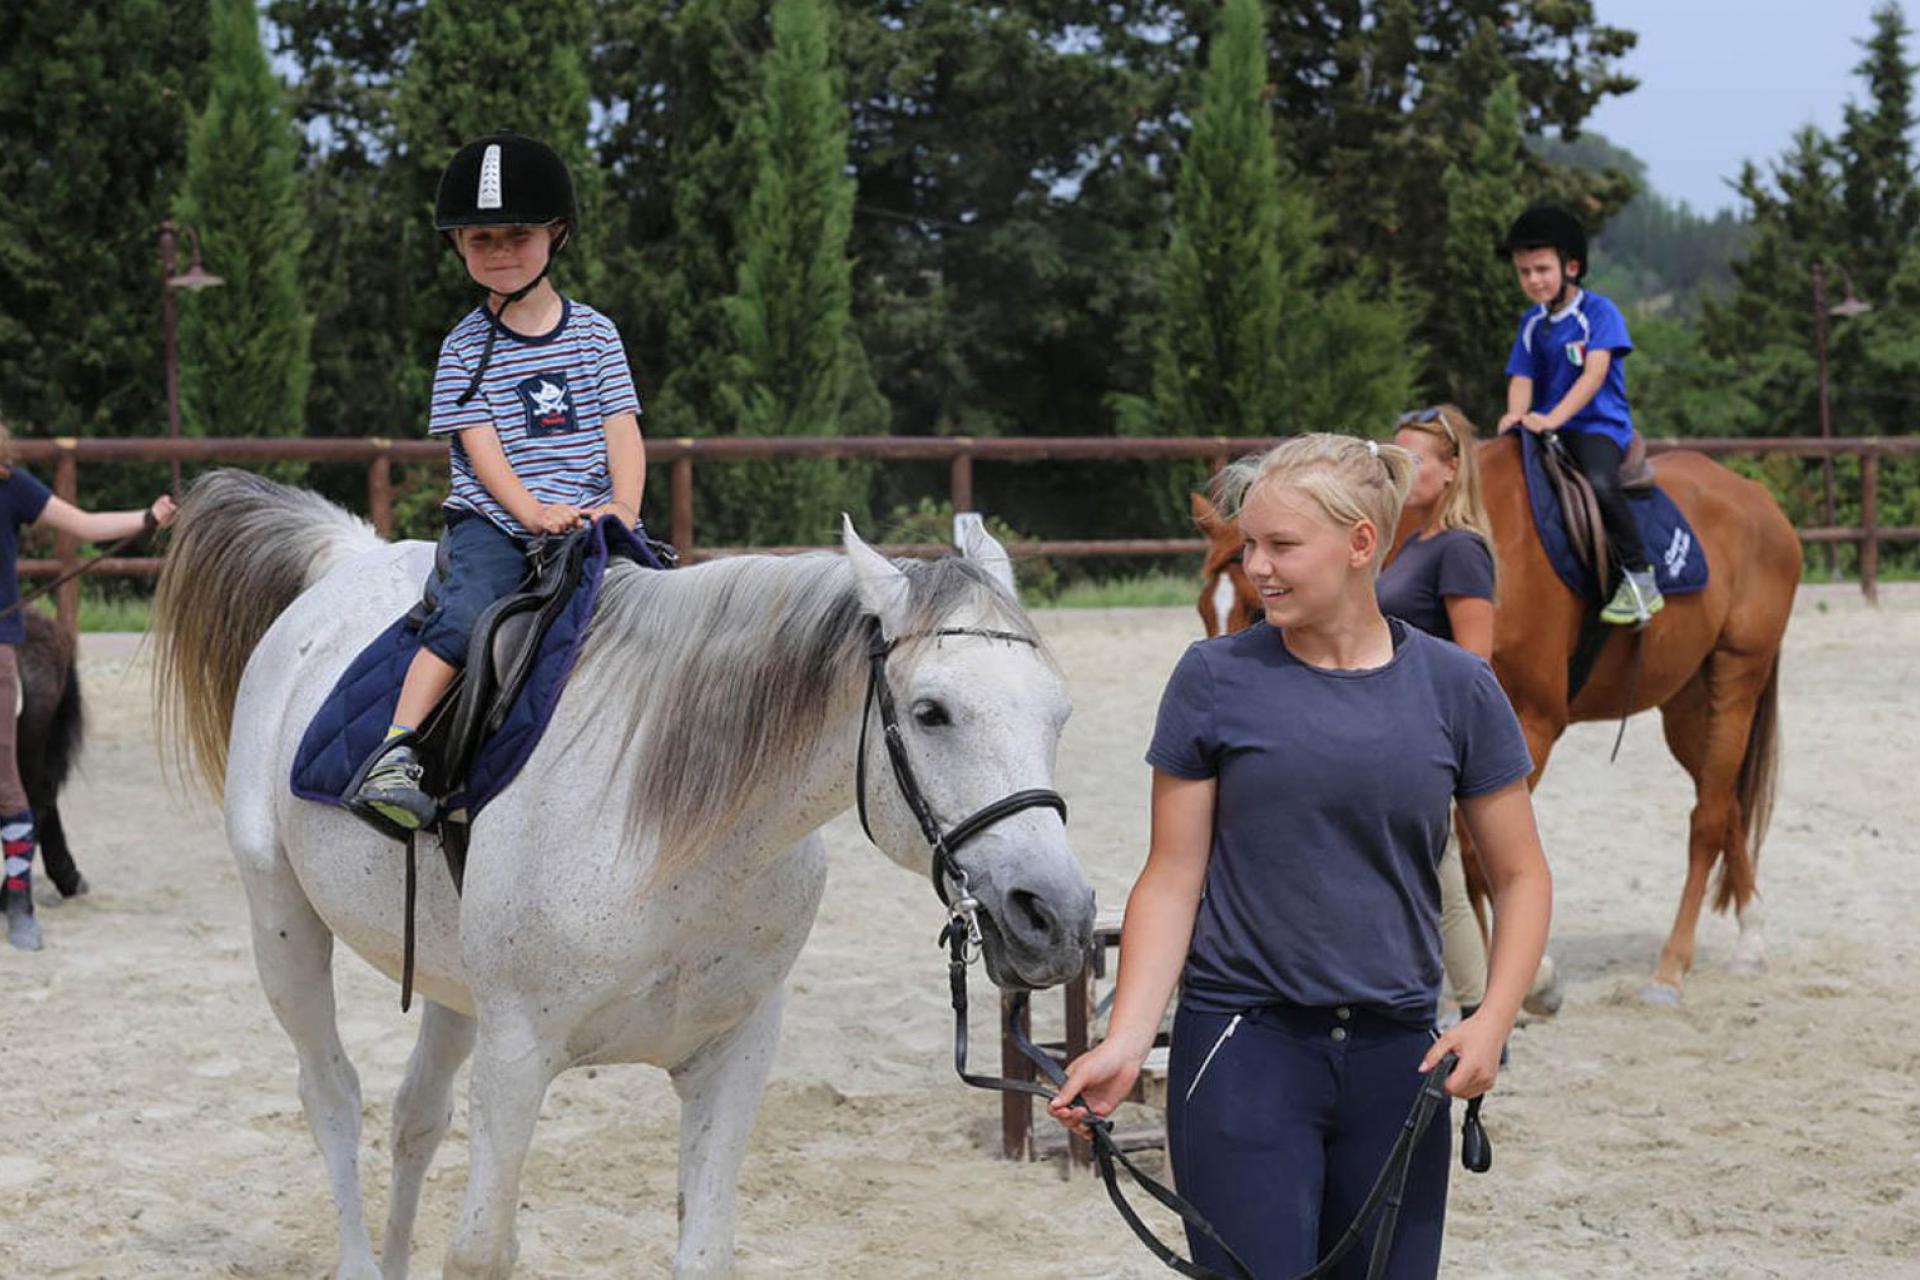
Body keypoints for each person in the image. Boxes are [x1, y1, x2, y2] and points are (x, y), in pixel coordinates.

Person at [1050, 433, 1552, 1278]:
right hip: (1244, 1048)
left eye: (1281, 545)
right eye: (1250, 546)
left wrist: (1493, 1018)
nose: (1258, 568)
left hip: (1401, 1057)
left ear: (1362, 544)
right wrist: (1128, 1039)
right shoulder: (1212, 679)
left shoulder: (1457, 688)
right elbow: (1171, 878)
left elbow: (1520, 874)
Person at [352, 132, 645, 831]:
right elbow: (480, 448)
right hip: (496, 521)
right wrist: (530, 511)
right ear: (458, 246)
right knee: (467, 612)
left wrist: (625, 508)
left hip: (594, 516)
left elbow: (622, 429)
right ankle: (398, 750)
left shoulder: (597, 335)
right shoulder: (461, 349)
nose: (501, 251)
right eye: (481, 237)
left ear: (557, 234)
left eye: (518, 234)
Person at [0, 424, 174, 949]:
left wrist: (147, 518)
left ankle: (20, 901)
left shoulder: (12, 486)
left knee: (7, 784)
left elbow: (82, 523)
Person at [1382, 404, 1499, 1021]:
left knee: (1443, 878)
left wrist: (1445, 745)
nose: (1402, 468)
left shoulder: (1459, 549)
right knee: (1440, 876)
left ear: (1452, 471)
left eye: (1416, 458)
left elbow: (1474, 662)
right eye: (1395, 455)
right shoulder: (1413, 543)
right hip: (1394, 723)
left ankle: (1482, 1009)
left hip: (1423, 730)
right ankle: (1482, 1005)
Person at [1497, 204, 1661, 627]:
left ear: (1571, 266)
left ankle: (1639, 576)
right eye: (1524, 271)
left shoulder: (1599, 313)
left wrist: (1550, 418)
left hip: (1595, 427)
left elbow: (1594, 375)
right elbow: (1521, 374)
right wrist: (1516, 415)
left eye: (1541, 269)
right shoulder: (1531, 323)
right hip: (1544, 428)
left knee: (1602, 485)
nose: (1532, 280)